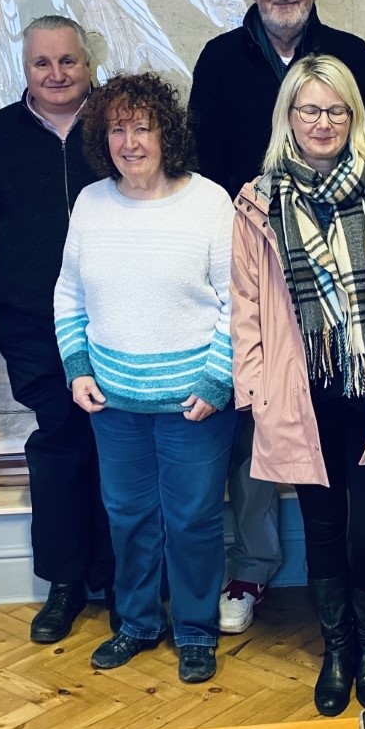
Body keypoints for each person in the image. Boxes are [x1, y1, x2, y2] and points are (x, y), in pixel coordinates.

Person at [189, 0, 365, 634]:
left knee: (340, 464)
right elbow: (204, 173)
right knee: (261, 440)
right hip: (258, 266)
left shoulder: (352, 57)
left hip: (344, 289)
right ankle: (252, 569)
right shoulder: (219, 60)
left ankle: (350, 620)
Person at [230, 54, 365, 716]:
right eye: (309, 110)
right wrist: (257, 390)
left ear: (353, 117)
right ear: (288, 119)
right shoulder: (256, 202)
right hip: (302, 394)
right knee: (323, 528)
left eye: (335, 110)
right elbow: (245, 309)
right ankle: (336, 647)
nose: (322, 123)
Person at [54, 73, 236, 685]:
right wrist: (77, 367)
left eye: (143, 127)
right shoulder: (91, 204)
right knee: (127, 516)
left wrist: (217, 382)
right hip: (114, 405)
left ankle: (194, 630)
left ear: (168, 133)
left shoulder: (210, 202)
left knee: (192, 520)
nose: (130, 142)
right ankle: (135, 623)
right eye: (117, 129)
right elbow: (69, 294)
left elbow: (240, 302)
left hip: (194, 403)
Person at [0, 15, 114, 644]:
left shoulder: (115, 129)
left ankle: (121, 578)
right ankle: (65, 583)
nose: (56, 75)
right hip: (29, 327)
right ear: (25, 69)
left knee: (116, 450)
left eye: (68, 62)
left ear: (87, 65)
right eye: (42, 64)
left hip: (114, 326)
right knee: (59, 447)